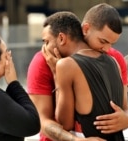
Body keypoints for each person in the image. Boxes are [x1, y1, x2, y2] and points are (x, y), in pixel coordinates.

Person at [41, 3, 128, 135]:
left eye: (110, 44)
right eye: (102, 41)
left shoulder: (65, 65)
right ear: (85, 29)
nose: (107, 49)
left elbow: (64, 124)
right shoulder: (113, 62)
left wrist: (57, 74)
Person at [27, 11, 107, 141]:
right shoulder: (42, 62)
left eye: (47, 41)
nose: (44, 48)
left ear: (61, 38)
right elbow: (42, 121)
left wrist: (124, 117)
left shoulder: (105, 58)